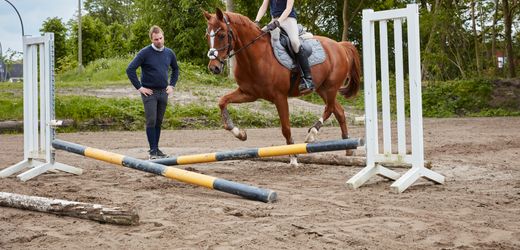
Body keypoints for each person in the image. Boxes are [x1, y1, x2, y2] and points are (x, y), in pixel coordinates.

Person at [126, 25, 179, 160]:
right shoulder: (144, 53)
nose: (159, 41)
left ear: (163, 37)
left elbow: (175, 69)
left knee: (159, 122)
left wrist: (172, 85)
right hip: (149, 93)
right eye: (156, 39)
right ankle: (152, 151)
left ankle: (156, 149)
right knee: (151, 120)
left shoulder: (169, 53)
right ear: (151, 39)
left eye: (161, 38)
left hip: (163, 92)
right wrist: (139, 87)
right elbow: (130, 69)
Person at [254, 0, 315, 94]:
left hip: (288, 20)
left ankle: (308, 79)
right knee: (258, 38)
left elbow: (288, 8)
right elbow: (263, 6)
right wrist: (257, 21)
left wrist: (278, 22)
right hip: (274, 20)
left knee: (295, 42)